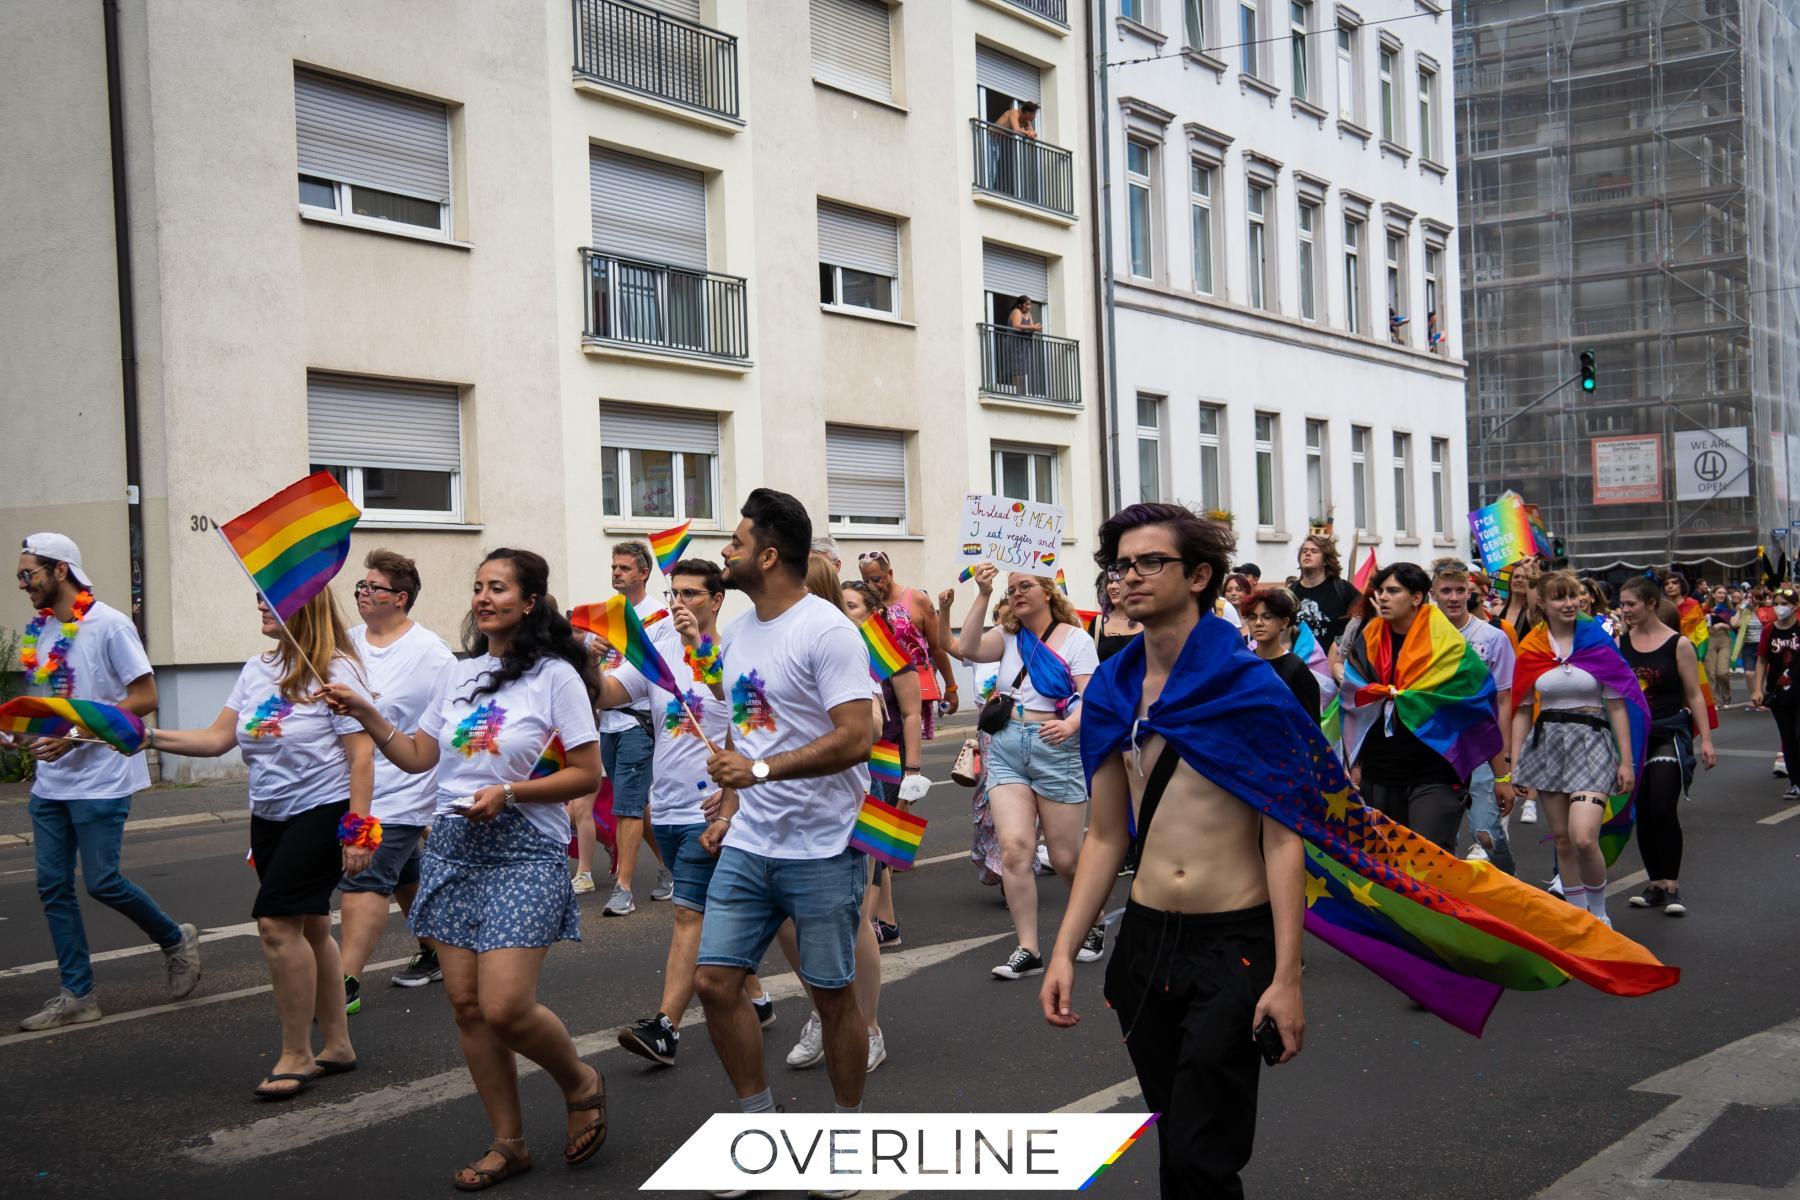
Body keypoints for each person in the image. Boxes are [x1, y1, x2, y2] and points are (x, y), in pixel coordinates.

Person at [320, 548, 608, 1187]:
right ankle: (509, 1142)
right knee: (467, 1008)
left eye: (499, 588)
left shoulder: (556, 676)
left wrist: (509, 792)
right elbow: (421, 755)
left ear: (528, 602)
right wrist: (367, 713)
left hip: (523, 850)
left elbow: (586, 772)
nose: (483, 598)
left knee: (505, 1006)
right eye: (478, 586)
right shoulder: (459, 673)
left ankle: (581, 1081)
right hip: (454, 847)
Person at [1041, 503, 1304, 1198]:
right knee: (1175, 1131)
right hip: (1146, 944)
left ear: (1198, 577)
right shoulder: (1113, 693)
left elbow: (1282, 837)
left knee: (1202, 1149)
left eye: (1148, 562)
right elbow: (1105, 835)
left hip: (1233, 945)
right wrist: (1065, 948)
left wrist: (1287, 975)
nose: (1128, 577)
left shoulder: (1251, 690)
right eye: (1121, 564)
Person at [693, 489, 878, 1119]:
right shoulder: (740, 630)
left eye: (738, 542)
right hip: (750, 842)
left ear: (768, 556)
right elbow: (747, 728)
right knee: (714, 984)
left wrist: (760, 770)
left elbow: (858, 736)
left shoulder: (827, 629)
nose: (726, 549)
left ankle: (845, 1134)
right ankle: (757, 1126)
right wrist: (727, 805)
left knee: (832, 999)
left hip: (821, 846)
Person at [149, 588, 371, 1098]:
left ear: (303, 605)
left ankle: (298, 1054)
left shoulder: (336, 671)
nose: (259, 607)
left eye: (270, 600)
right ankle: (338, 1045)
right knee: (312, 925)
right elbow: (216, 739)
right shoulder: (257, 668)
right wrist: (145, 738)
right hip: (269, 815)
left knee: (276, 926)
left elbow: (362, 758)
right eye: (256, 599)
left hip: (323, 809)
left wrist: (358, 833)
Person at [12, 533, 200, 1031]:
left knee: (102, 882)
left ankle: (175, 939)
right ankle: (78, 995)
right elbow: (47, 708)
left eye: (28, 574)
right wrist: (18, 733)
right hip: (52, 783)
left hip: (102, 775)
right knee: (53, 886)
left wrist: (74, 735)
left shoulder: (110, 625)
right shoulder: (41, 632)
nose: (22, 584)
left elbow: (146, 696)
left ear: (60, 570)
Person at [605, 559, 773, 1068]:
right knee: (718, 917)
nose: (679, 603)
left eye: (692, 595)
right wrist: (585, 665)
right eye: (674, 593)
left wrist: (729, 799)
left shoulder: (737, 652)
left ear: (717, 600)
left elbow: (754, 723)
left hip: (717, 808)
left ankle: (665, 1028)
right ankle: (759, 999)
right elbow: (612, 693)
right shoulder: (657, 652)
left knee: (688, 913)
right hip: (669, 806)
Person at [956, 564, 1103, 979]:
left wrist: (1072, 724)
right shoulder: (1007, 637)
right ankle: (1028, 948)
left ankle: (1093, 923)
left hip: (1056, 748)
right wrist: (982, 594)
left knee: (1065, 858)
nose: (1017, 594)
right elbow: (966, 647)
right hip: (1006, 748)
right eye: (1011, 589)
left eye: (1025, 587)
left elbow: (1091, 697)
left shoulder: (1075, 639)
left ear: (1048, 592)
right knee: (1015, 849)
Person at [339, 550, 456, 1011]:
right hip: (353, 791)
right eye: (361, 587)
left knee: (362, 879)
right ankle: (439, 950)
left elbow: (446, 731)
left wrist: (442, 800)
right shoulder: (345, 644)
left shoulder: (433, 656)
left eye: (374, 588)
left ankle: (342, 984)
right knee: (405, 873)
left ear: (401, 598)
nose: (364, 594)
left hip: (403, 793)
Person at [1342, 563, 1508, 853]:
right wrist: (1355, 764)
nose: (1382, 597)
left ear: (1417, 597)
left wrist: (1502, 777)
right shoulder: (1368, 640)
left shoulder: (1447, 645)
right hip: (1380, 774)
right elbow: (1355, 703)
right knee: (1387, 866)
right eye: (1380, 591)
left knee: (1429, 863)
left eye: (1393, 591)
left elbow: (1479, 710)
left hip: (1435, 772)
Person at [1510, 571, 1640, 926]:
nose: (1569, 603)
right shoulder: (1531, 647)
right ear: (1544, 604)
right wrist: (1516, 761)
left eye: (1574, 596)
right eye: (1560, 597)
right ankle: (1577, 916)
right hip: (1548, 743)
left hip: (1593, 741)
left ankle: (1599, 913)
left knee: (1584, 837)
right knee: (1563, 841)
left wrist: (1625, 761)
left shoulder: (1597, 641)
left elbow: (1617, 705)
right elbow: (1521, 709)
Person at [1618, 577, 1716, 917]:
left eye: (1630, 604)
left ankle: (1672, 885)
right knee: (1642, 811)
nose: (1625, 610)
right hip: (1636, 737)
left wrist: (1706, 739)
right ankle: (1655, 883)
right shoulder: (1622, 641)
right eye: (1623, 604)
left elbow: (1694, 694)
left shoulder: (1679, 644)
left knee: (1662, 806)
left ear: (1650, 603)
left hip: (1669, 733)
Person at [842, 578, 926, 956]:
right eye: (840, 605)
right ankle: (886, 923)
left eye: (852, 606)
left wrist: (913, 770)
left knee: (873, 844)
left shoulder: (891, 655)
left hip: (885, 759)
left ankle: (868, 922)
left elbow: (911, 713)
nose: (845, 613)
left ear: (873, 613)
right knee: (877, 846)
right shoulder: (838, 650)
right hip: (852, 757)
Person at [594, 541, 672, 916]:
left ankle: (623, 888)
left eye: (624, 568)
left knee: (626, 806)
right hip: (608, 720)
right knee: (635, 804)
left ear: (643, 573)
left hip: (637, 722)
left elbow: (650, 672)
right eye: (613, 567)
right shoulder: (610, 612)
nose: (616, 573)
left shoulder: (658, 616)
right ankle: (671, 867)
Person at [1431, 559, 1519, 874]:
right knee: (1440, 837)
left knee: (1486, 832)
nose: (1454, 597)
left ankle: (1509, 887)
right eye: (1446, 591)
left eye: (1460, 590)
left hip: (1482, 748)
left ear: (1470, 592)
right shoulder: (1423, 637)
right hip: (1438, 747)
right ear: (1433, 594)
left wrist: (1504, 761)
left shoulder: (1492, 637)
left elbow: (1504, 699)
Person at [859, 550, 958, 728]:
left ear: (890, 574)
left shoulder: (917, 600)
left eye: (876, 579)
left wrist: (951, 688)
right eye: (865, 581)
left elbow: (937, 648)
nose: (871, 586)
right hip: (879, 694)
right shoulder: (865, 603)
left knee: (909, 750)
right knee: (884, 752)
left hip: (912, 690)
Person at [1243, 587, 1320, 721]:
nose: (1258, 623)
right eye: (1252, 617)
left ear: (1284, 622)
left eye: (1267, 617)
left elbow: (1310, 723)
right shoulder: (1244, 663)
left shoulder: (1296, 668)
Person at [1753, 584, 1800, 800]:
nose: (1780, 608)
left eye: (1785, 604)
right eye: (1777, 604)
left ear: (1796, 606)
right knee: (1788, 738)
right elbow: (1762, 660)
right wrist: (1757, 689)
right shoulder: (1768, 631)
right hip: (1778, 693)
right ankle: (1796, 783)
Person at [1291, 533, 1361, 649]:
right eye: (1304, 551)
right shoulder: (1291, 592)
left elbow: (1366, 618)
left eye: (1314, 551)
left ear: (1325, 560)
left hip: (1333, 662)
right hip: (1300, 663)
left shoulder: (1343, 589)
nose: (1307, 554)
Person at [1087, 570, 1142, 662]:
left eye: (1118, 581)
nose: (1113, 586)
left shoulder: (1148, 622)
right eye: (1110, 581)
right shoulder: (1097, 623)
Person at [1005, 295, 1043, 394]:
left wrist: (1035, 328)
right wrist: (1032, 327)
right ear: (1020, 304)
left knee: (1022, 370)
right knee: (1016, 370)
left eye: (1030, 305)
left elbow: (1030, 326)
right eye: (1027, 304)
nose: (1029, 307)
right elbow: (1016, 326)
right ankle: (1015, 392)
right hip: (1015, 344)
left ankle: (1020, 392)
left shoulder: (1028, 314)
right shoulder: (1016, 311)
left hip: (1023, 346)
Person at [1706, 585, 1736, 705]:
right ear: (1713, 594)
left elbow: (1734, 625)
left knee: (1722, 672)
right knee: (1710, 672)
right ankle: (1714, 700)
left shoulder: (1729, 609)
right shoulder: (1705, 607)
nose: (1722, 595)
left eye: (1724, 593)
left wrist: (1723, 625)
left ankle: (1726, 696)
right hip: (1709, 639)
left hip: (1724, 639)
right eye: (1719, 593)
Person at [1501, 557, 1542, 638]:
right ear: (1510, 582)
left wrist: (1533, 574)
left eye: (1525, 577)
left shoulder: (1531, 614)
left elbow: (1534, 606)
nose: (1519, 580)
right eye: (1516, 576)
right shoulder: (1495, 610)